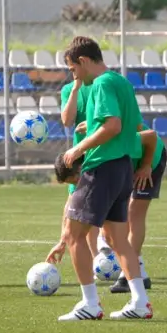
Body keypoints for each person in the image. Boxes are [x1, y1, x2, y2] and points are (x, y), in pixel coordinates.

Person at [52, 36, 152, 321]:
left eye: (73, 69)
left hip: (102, 167)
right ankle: (140, 302)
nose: (74, 76)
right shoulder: (122, 82)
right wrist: (93, 125)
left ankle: (91, 304)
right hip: (122, 167)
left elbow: (113, 125)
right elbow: (131, 125)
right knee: (117, 238)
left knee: (73, 235)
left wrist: (78, 148)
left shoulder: (102, 83)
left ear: (83, 61)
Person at [49, 126, 167, 294]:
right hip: (124, 170)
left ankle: (130, 277)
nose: (77, 184)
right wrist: (62, 242)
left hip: (151, 159)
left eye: (76, 180)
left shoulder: (111, 143)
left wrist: (146, 165)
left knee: (134, 213)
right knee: (112, 228)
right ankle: (138, 274)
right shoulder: (85, 161)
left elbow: (151, 136)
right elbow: (72, 205)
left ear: (81, 166)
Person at [58, 77, 97, 258]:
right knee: (76, 202)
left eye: (74, 67)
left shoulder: (102, 85)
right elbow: (67, 121)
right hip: (81, 158)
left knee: (104, 209)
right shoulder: (69, 89)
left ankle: (121, 259)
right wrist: (75, 89)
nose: (73, 72)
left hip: (104, 153)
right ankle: (99, 260)